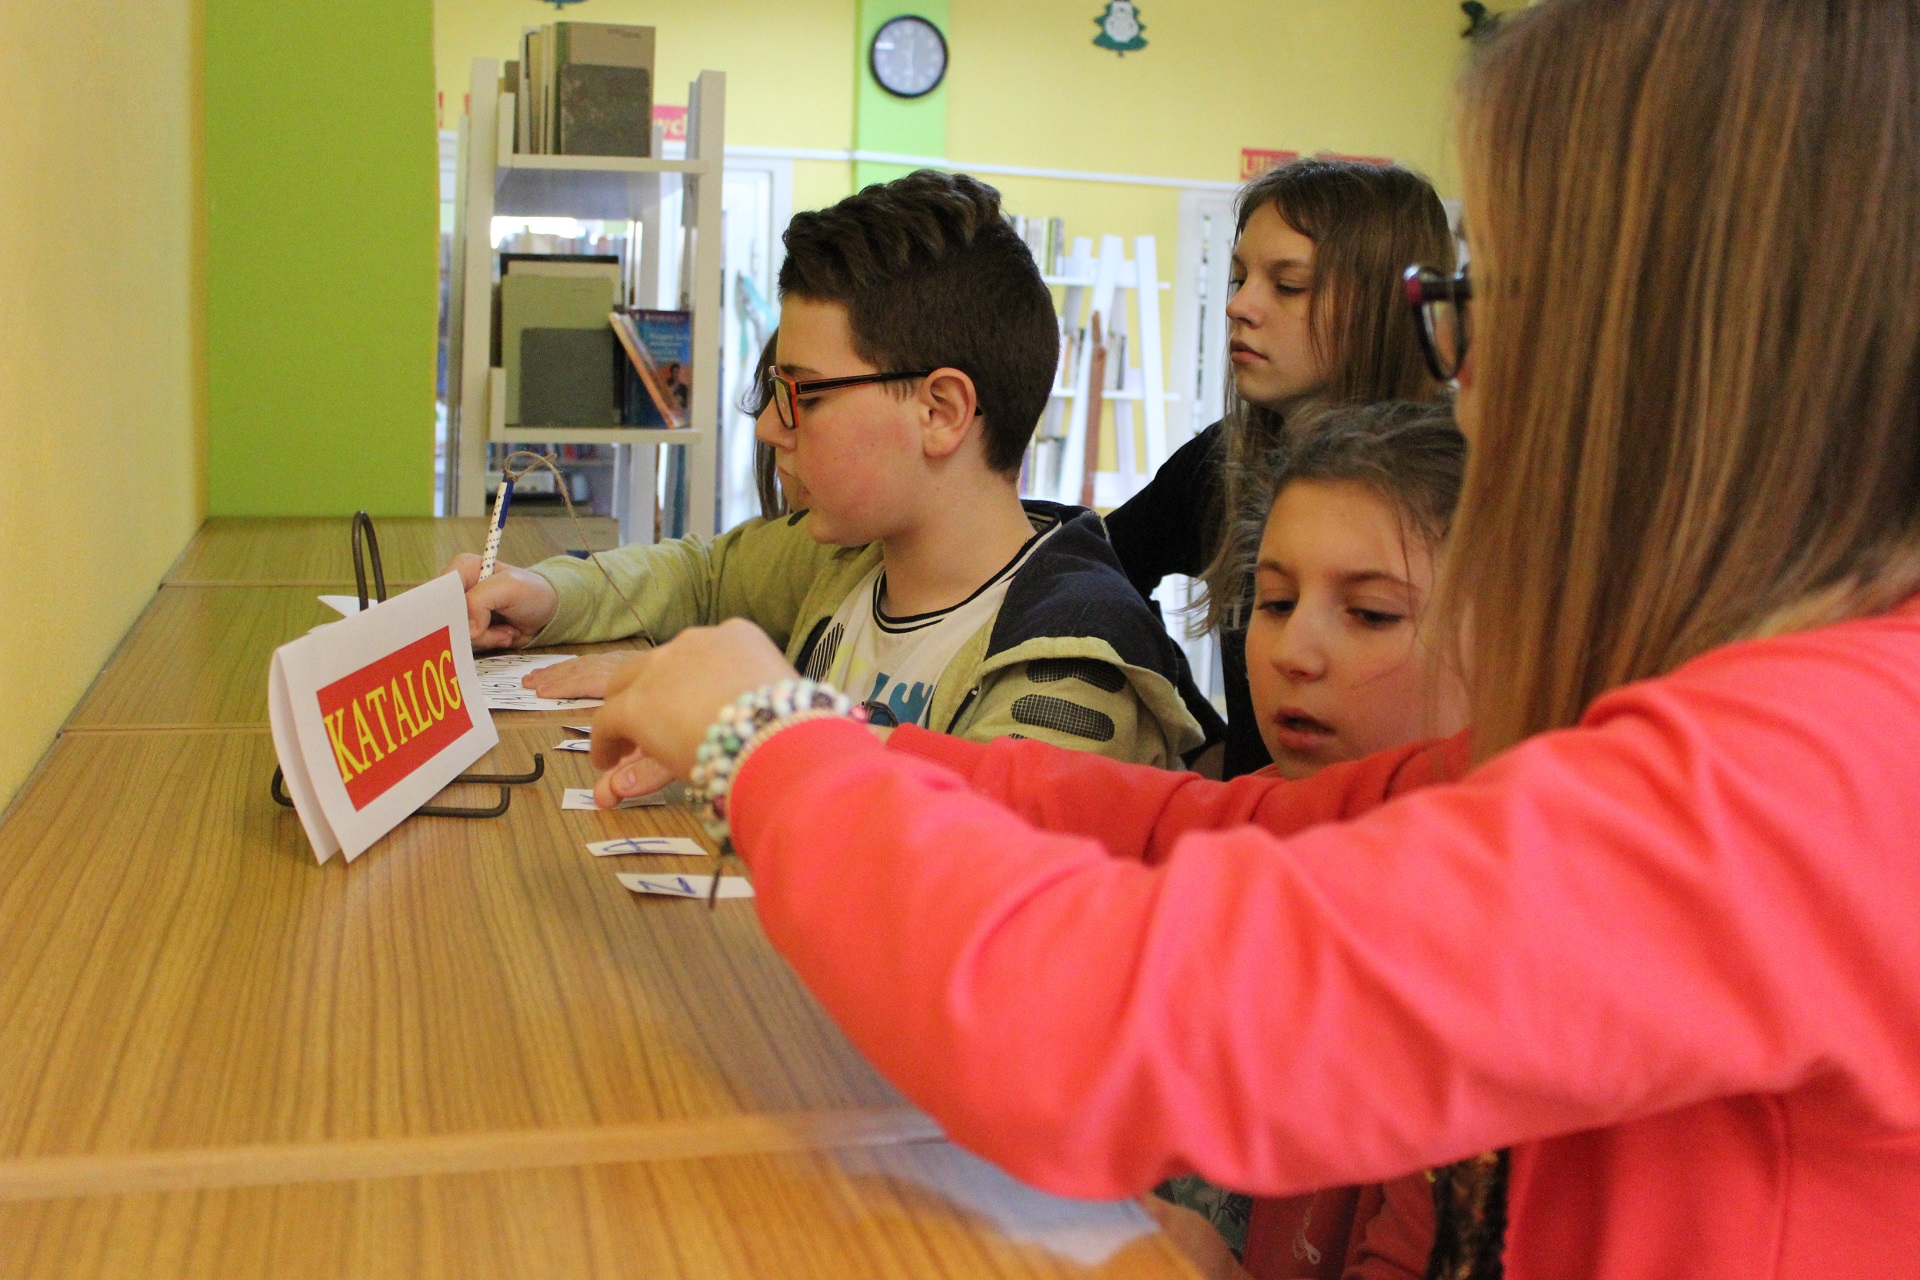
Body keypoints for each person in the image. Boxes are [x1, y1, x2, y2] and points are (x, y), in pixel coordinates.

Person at [583, 1, 1920, 1276]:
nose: (1468, 383)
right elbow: (1215, 832)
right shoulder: (1751, 730)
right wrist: (844, 741)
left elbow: (1107, 1019)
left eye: (1493, 305)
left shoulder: (1819, 775)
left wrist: (768, 743)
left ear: (1679, 352)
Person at [455, 169, 1202, 769]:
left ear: (941, 411)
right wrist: (548, 594)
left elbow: (963, 856)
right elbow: (705, 576)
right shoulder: (854, 556)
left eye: (805, 394)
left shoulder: (1071, 668)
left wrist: (747, 729)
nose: (772, 426)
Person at [1150, 399, 1470, 1271]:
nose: (1295, 651)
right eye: (1277, 601)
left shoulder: (1484, 940)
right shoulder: (1228, 831)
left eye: (1371, 614)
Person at [1106, 157, 1454, 779]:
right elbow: (1097, 570)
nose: (1239, 306)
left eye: (1288, 286)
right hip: (1260, 818)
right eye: (1238, 278)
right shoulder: (1220, 463)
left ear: (1379, 307)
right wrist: (1192, 728)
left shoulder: (1461, 473)